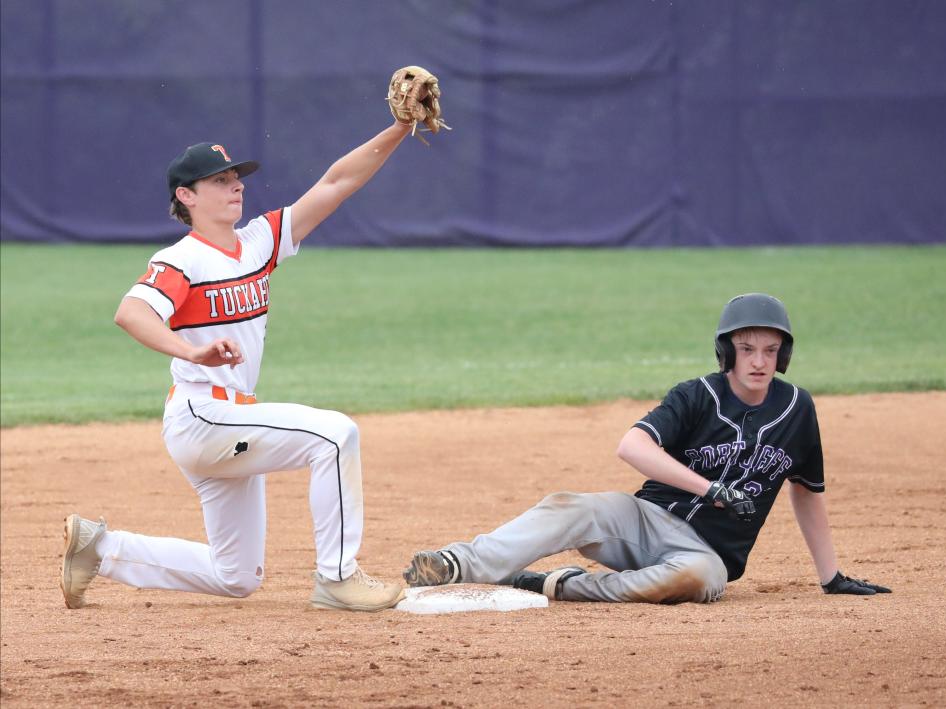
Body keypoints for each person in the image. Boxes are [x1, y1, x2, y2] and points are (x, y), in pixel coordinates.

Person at [60, 116, 417, 612]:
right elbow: (131, 312)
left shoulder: (259, 242)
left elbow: (337, 183)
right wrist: (190, 351)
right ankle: (338, 577)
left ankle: (98, 549)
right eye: (220, 180)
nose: (236, 187)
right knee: (335, 435)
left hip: (230, 420)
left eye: (236, 178)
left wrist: (401, 127)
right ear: (187, 196)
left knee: (236, 576)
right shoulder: (182, 260)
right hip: (203, 416)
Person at [403, 293, 891, 603]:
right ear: (727, 352)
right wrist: (711, 488)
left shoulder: (797, 409)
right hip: (645, 518)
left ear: (783, 354)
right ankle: (455, 563)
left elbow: (808, 490)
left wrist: (830, 578)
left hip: (708, 555)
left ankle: (556, 584)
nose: (758, 360)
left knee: (698, 580)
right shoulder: (696, 395)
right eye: (746, 349)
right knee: (568, 507)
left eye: (769, 350)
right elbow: (631, 446)